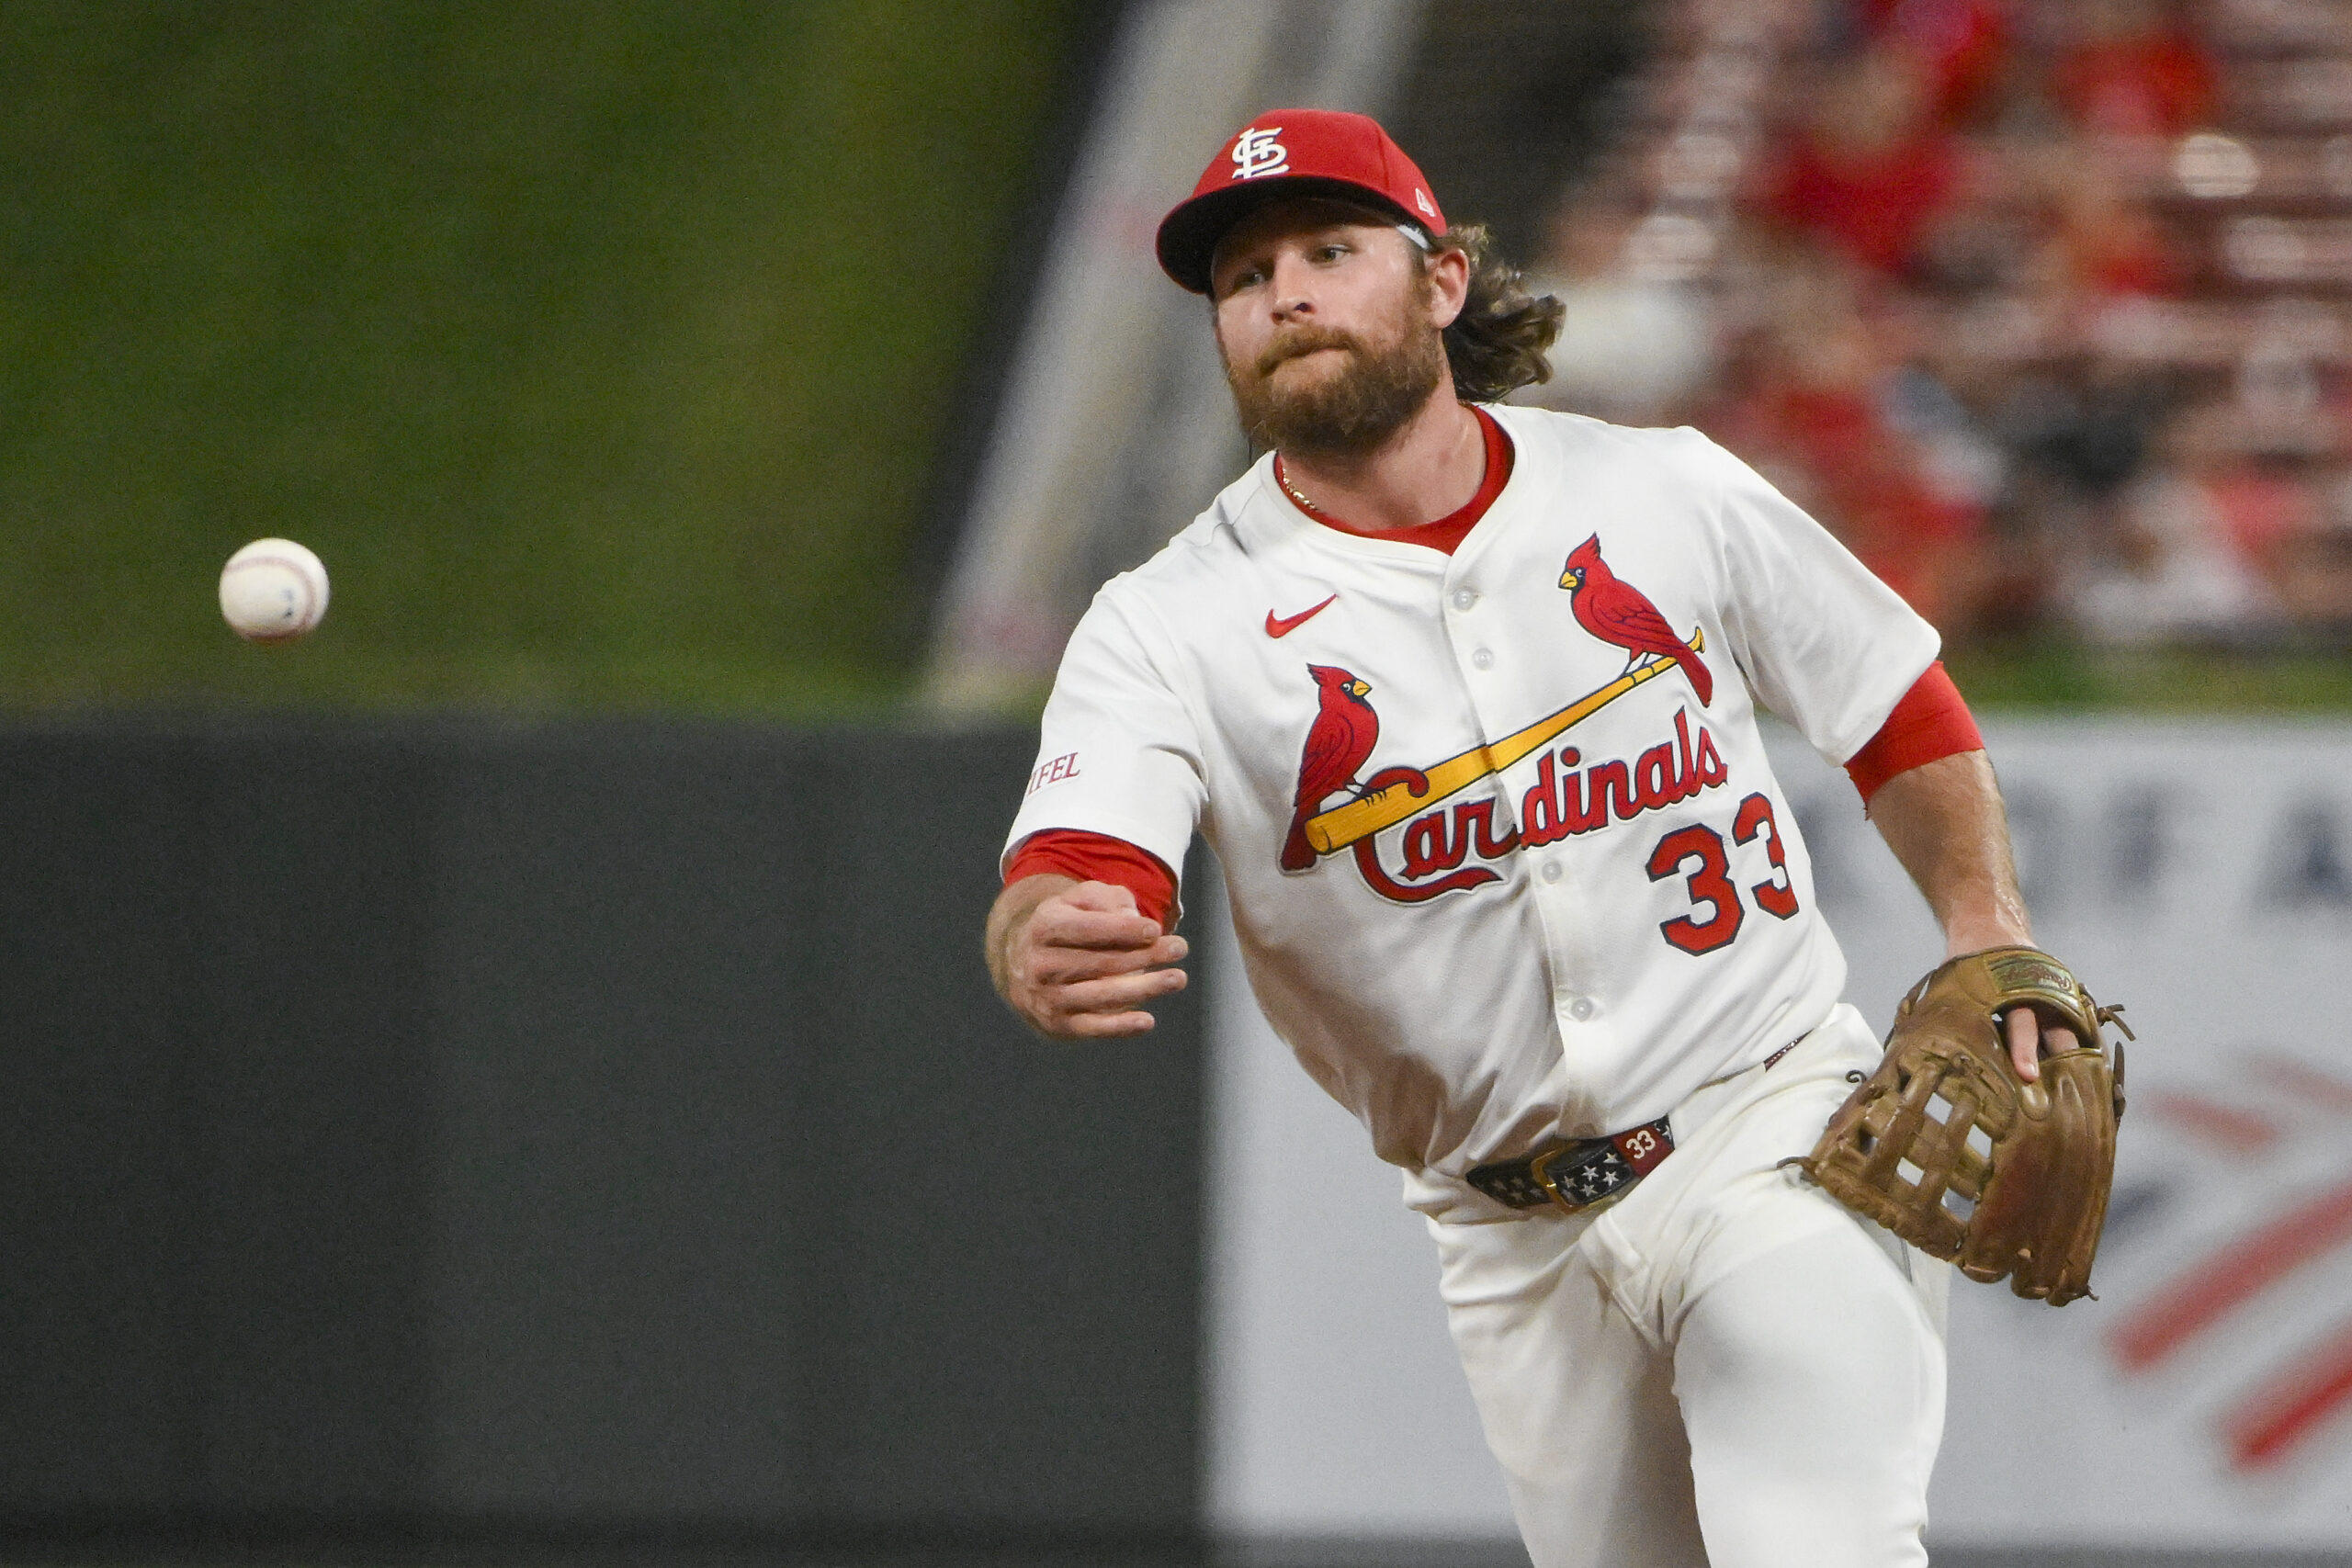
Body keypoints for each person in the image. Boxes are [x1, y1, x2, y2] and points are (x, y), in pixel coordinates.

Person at [984, 109, 2074, 1568]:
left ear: (1441, 285)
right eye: (1243, 279)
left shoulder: (1656, 489)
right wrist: (1039, 935)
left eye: (1328, 250)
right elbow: (1076, 858)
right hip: (1510, 1231)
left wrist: (1986, 922)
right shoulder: (1171, 623)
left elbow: (1895, 705)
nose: (1284, 293)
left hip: (1769, 1125)